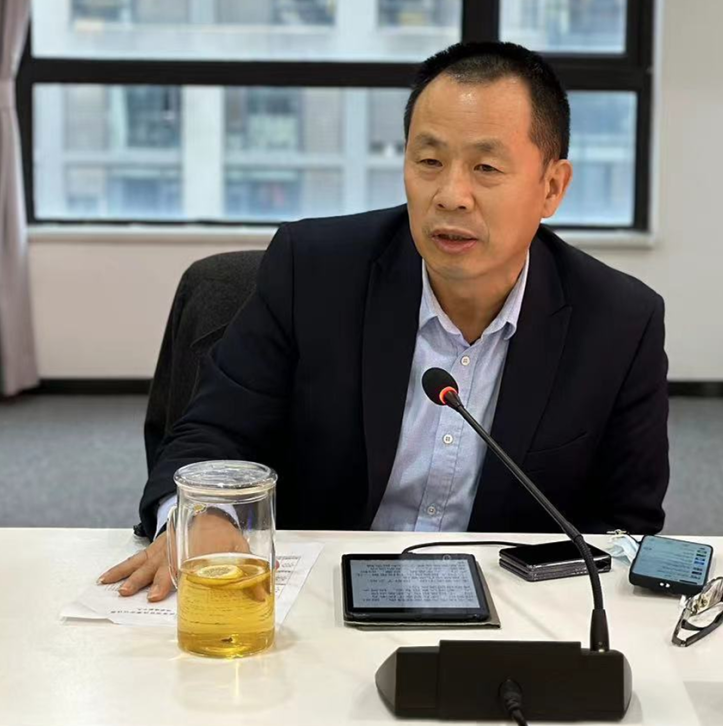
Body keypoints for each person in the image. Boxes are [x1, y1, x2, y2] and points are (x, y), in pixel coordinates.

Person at [101, 41, 669, 602]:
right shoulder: (312, 271)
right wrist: (201, 516)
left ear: (552, 187)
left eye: (486, 167)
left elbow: (625, 526)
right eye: (429, 161)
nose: (451, 195)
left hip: (508, 612)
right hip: (315, 598)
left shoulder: (619, 324)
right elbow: (211, 433)